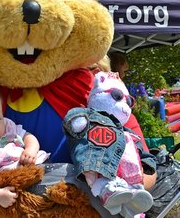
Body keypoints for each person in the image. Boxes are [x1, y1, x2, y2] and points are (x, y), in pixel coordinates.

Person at [63, 71, 155, 217]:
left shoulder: (128, 131)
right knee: (106, 185)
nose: (125, 105)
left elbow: (143, 153)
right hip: (100, 169)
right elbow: (73, 119)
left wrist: (148, 164)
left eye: (129, 101)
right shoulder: (92, 117)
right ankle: (111, 194)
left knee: (131, 198)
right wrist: (78, 120)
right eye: (117, 96)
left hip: (130, 177)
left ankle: (134, 205)